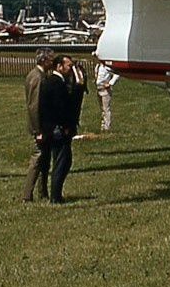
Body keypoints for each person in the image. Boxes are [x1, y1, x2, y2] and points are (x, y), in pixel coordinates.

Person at [40, 55, 87, 204]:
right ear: (59, 67)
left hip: (54, 128)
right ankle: (55, 196)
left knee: (63, 160)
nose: (70, 69)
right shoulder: (56, 83)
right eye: (68, 66)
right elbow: (61, 108)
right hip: (58, 129)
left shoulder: (54, 82)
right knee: (61, 161)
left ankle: (56, 194)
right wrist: (65, 126)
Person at [22, 47, 56, 203]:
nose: (53, 62)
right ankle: (27, 195)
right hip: (40, 127)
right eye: (51, 59)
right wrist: (38, 130)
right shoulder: (38, 78)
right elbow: (34, 105)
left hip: (42, 125)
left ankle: (43, 192)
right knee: (37, 160)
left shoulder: (35, 75)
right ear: (43, 60)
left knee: (44, 160)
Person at [94, 57, 118, 132]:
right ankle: (103, 125)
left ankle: (107, 126)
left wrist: (110, 83)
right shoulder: (98, 66)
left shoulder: (107, 67)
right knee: (102, 108)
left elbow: (116, 74)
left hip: (105, 89)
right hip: (99, 88)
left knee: (106, 108)